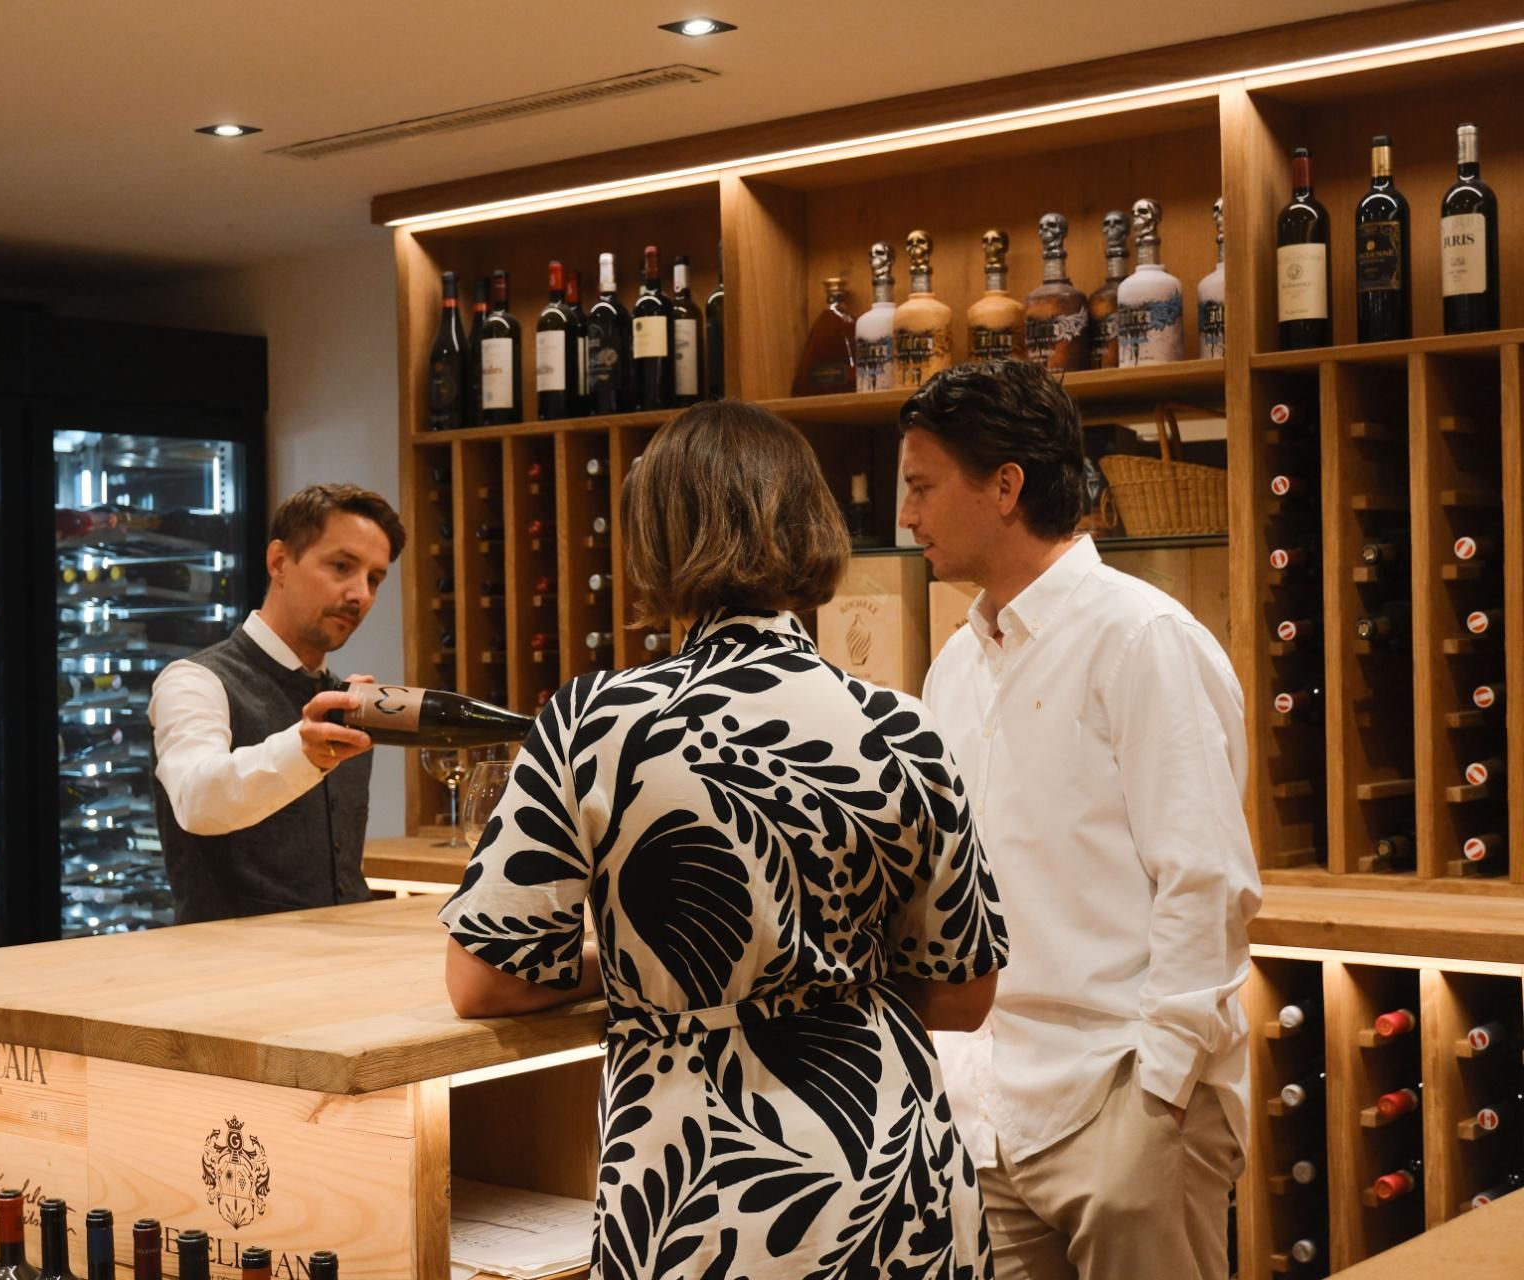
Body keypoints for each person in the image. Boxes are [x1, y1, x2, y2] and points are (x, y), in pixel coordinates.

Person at [439, 400, 1009, 1280]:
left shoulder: (598, 722)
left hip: (700, 1184)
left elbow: (484, 978)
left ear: (657, 536)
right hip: (898, 1169)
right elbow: (965, 994)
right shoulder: (902, 725)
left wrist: (630, 964)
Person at [899, 361, 1260, 1280]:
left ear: (1007, 486)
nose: (908, 516)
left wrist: (1163, 1088)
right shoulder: (954, 667)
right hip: (985, 1111)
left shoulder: (1143, 639)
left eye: (923, 487)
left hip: (1124, 1101)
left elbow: (1206, 879)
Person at [148, 483, 406, 923]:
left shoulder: (346, 698)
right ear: (279, 562)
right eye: (342, 566)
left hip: (337, 967)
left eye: (374, 578)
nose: (360, 593)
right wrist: (303, 751)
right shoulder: (194, 681)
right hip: (230, 973)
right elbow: (197, 799)